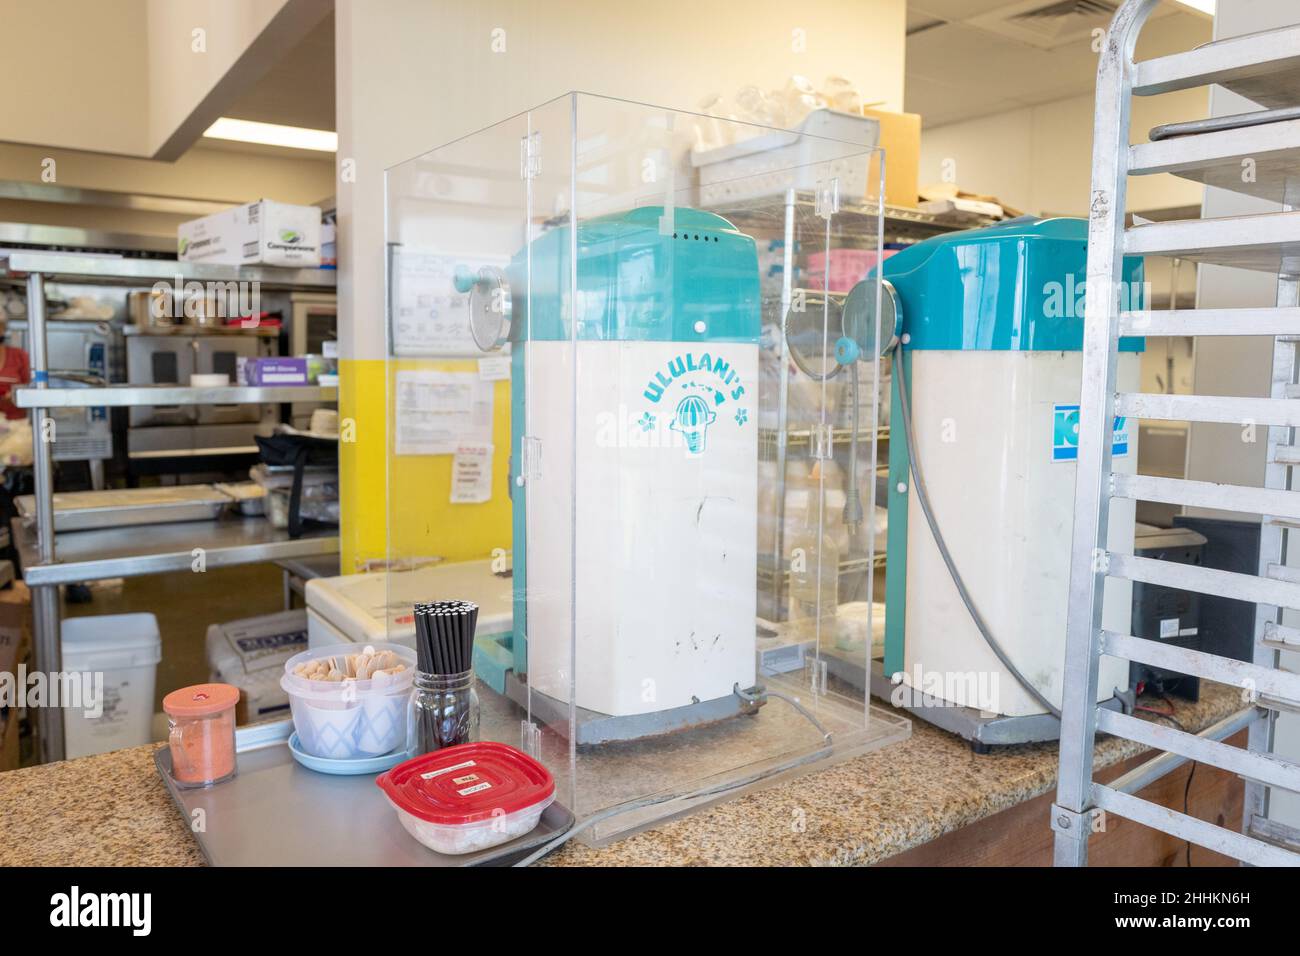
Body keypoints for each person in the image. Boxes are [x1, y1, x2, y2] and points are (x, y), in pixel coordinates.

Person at [0, 315, 31, 420]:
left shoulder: (20, 356)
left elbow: (31, 387)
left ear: (2, 329)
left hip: (15, 425)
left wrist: (15, 394)